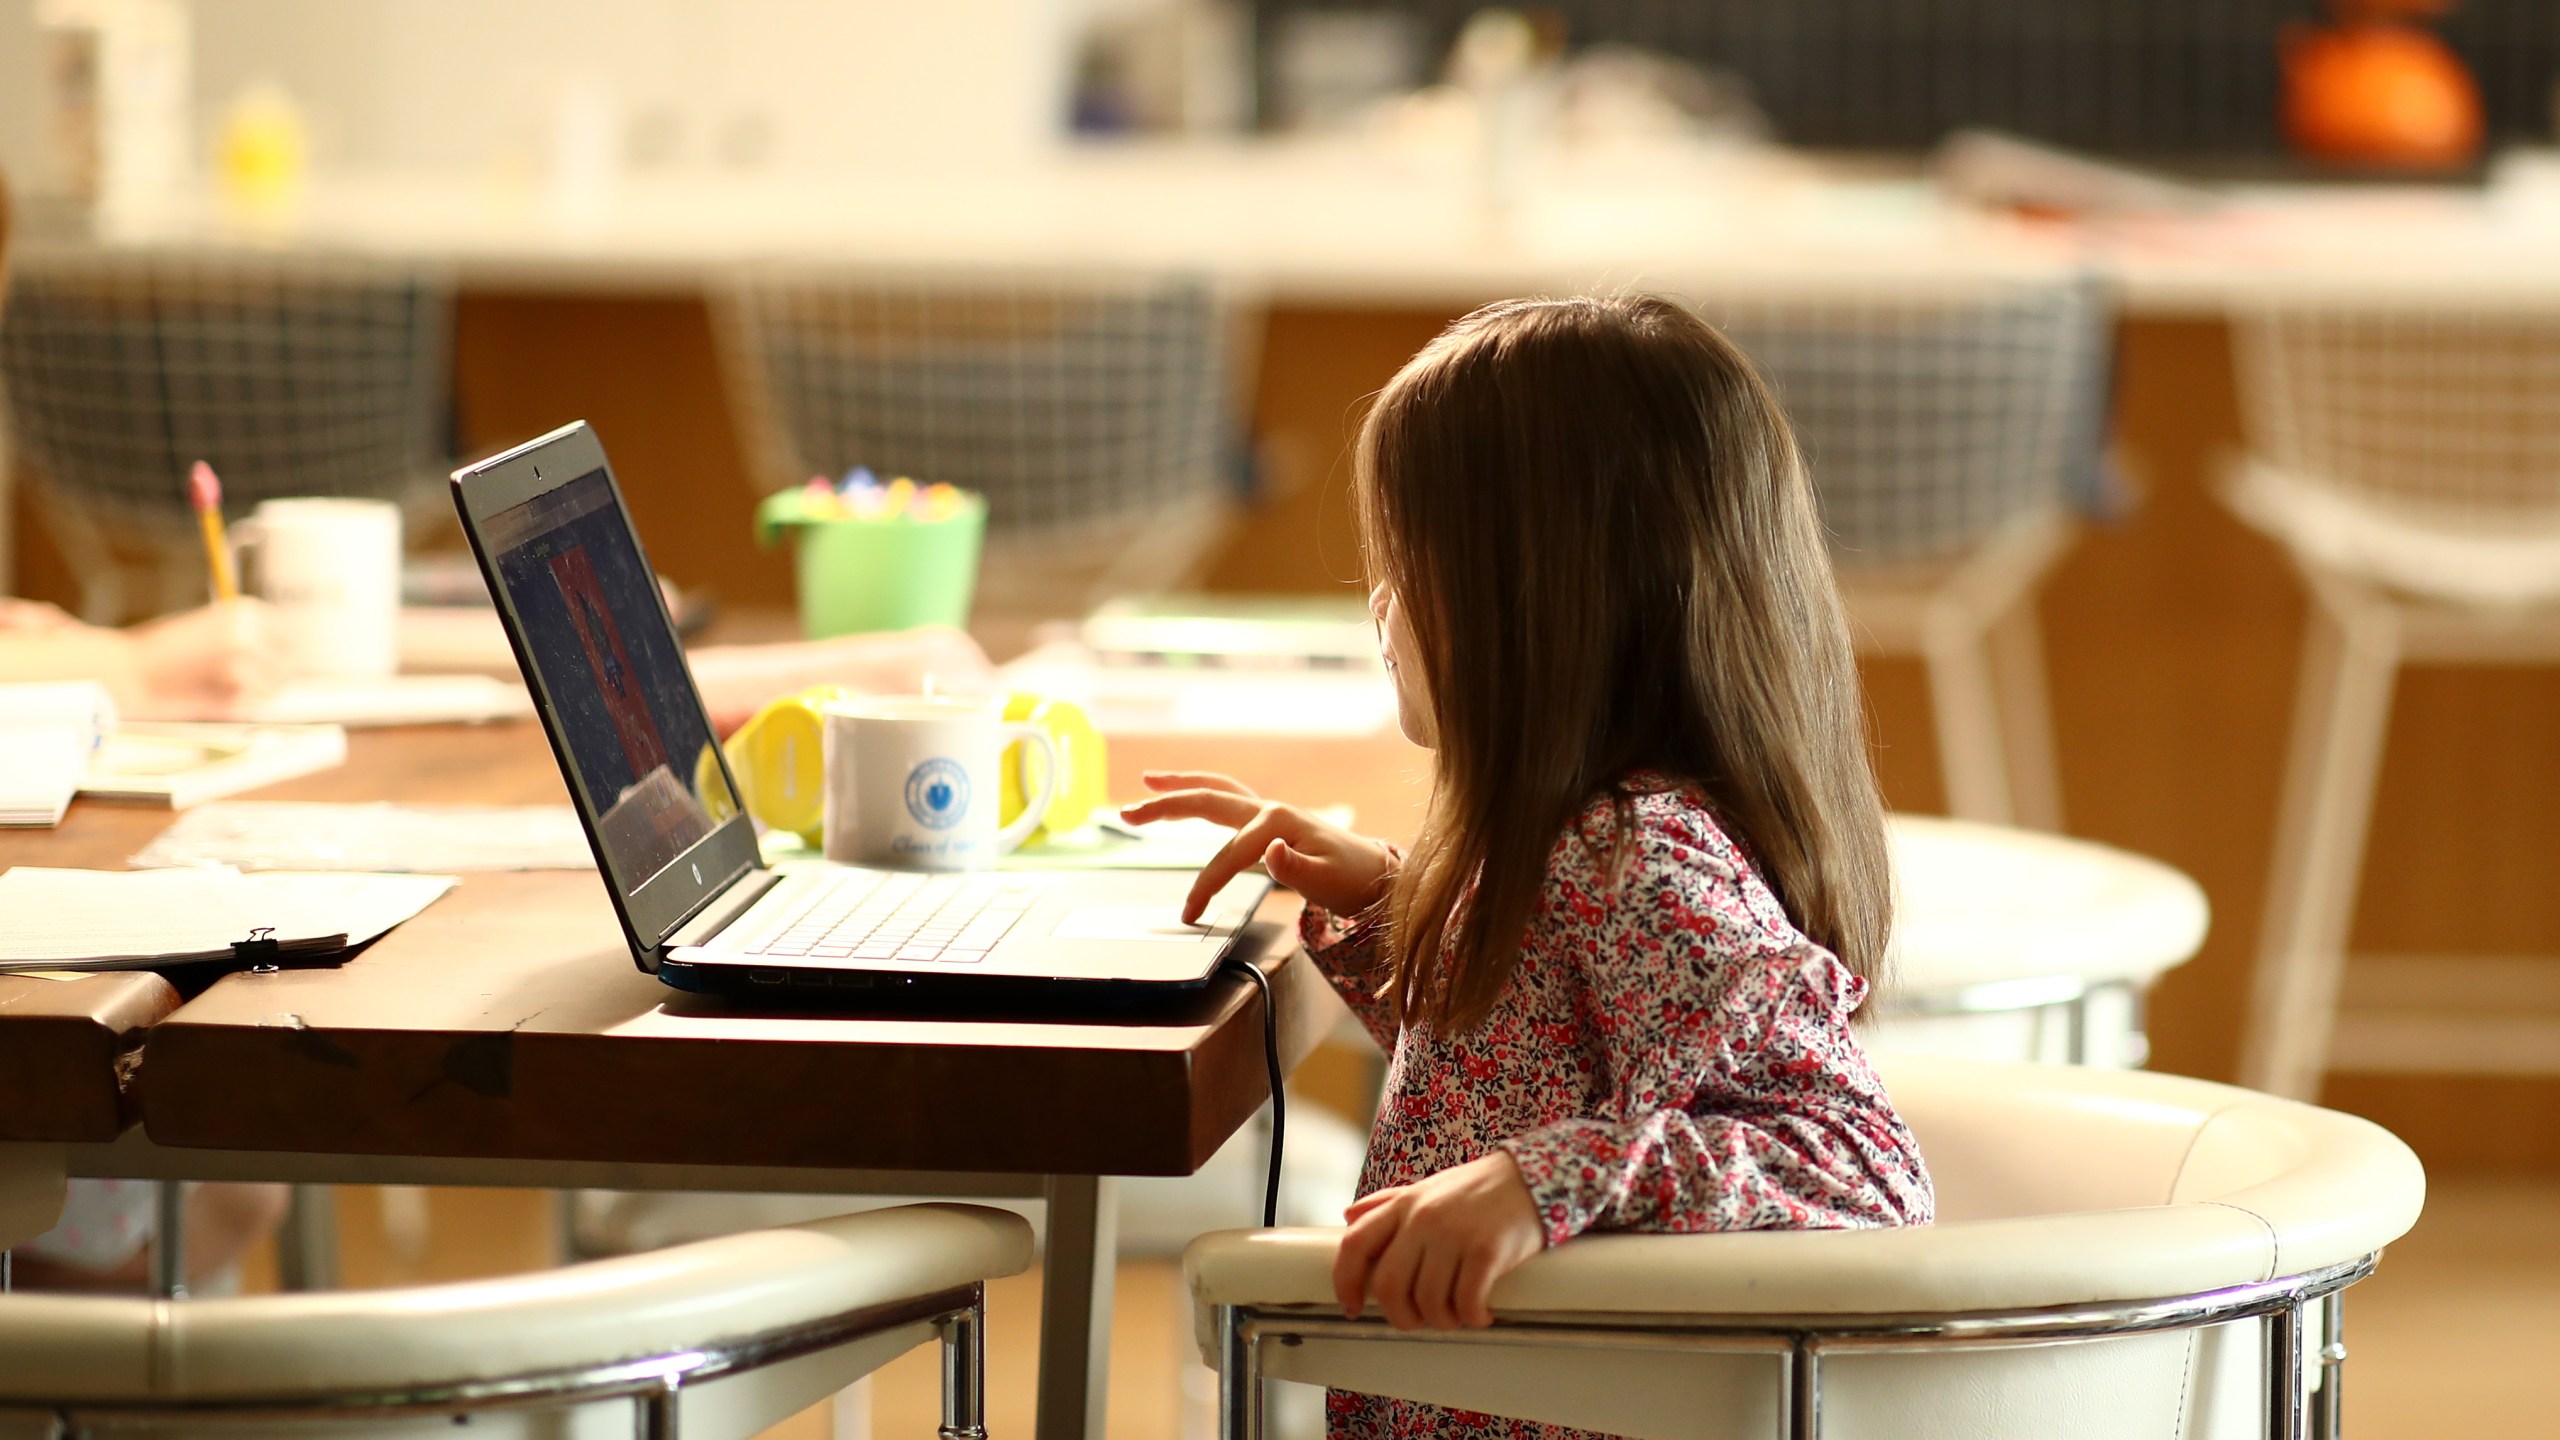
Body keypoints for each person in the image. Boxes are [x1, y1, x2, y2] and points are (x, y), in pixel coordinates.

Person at [1120, 295, 1935, 1439]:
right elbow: (1533, 1059)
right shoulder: (1577, 849)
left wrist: (1539, 1187)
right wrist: (1395, 900)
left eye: (1404, 565)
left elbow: (1860, 1172)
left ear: (1530, 608)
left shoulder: (1635, 858)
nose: (1380, 609)